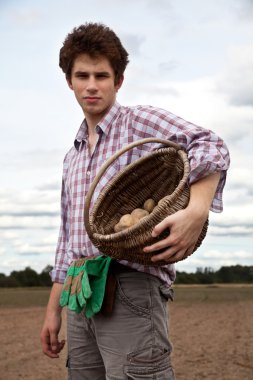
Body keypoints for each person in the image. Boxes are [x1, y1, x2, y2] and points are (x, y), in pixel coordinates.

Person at [40, 22, 230, 379]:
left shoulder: (137, 122)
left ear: (118, 80)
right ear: (69, 81)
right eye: (82, 76)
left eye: (102, 75)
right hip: (80, 293)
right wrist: (54, 309)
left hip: (130, 284)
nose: (92, 85)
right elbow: (68, 240)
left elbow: (211, 144)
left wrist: (197, 209)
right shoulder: (73, 155)